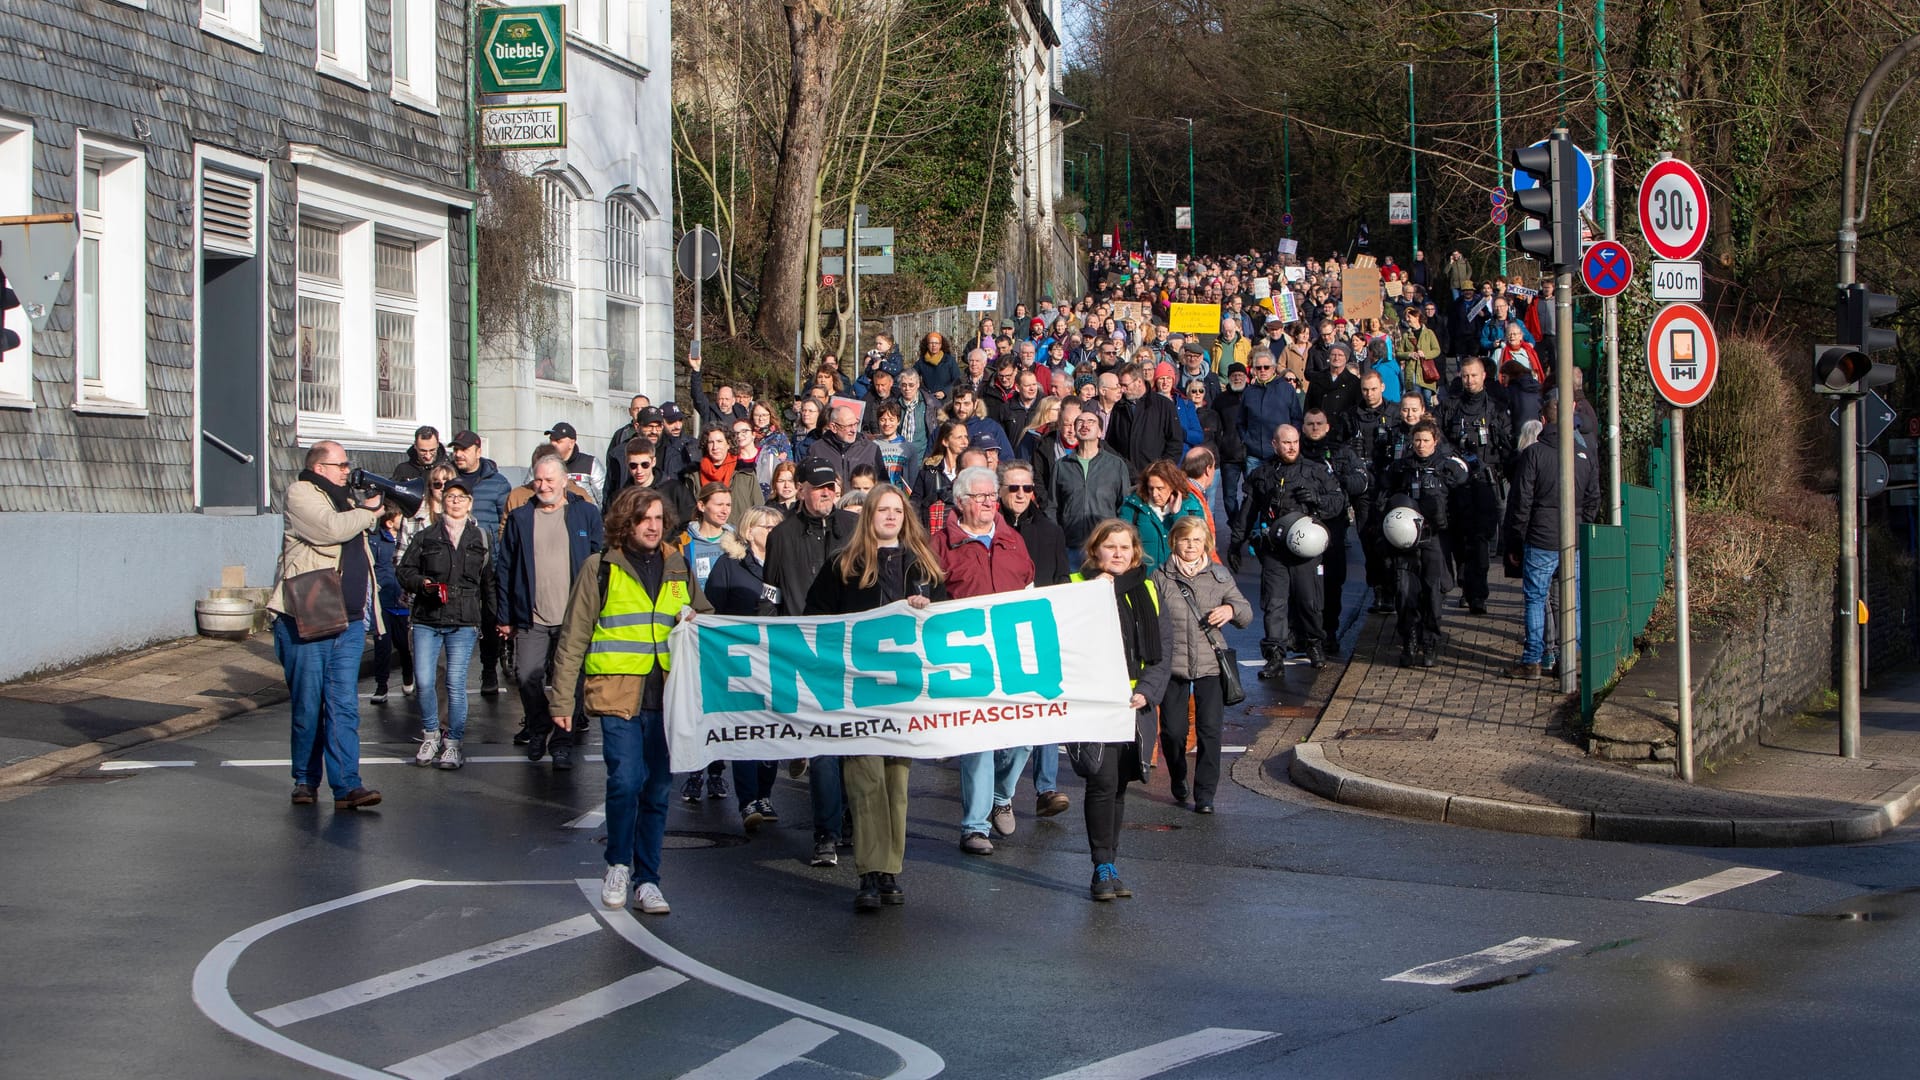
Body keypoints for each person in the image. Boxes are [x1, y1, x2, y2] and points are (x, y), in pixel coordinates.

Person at [550, 485, 712, 914]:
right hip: (617, 693)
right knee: (626, 781)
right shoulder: (599, 568)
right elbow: (574, 637)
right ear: (627, 523)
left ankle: (648, 879)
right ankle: (618, 863)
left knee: (658, 789)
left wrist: (698, 618)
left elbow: (707, 620)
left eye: (660, 519)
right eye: (645, 519)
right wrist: (562, 701)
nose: (654, 527)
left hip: (667, 695)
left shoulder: (678, 566)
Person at [805, 485, 946, 911]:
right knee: (864, 781)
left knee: (896, 785)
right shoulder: (843, 565)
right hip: (859, 690)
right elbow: (814, 619)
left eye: (897, 510)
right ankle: (869, 872)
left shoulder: (922, 566)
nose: (890, 516)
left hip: (904, 692)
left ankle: (890, 870)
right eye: (882, 510)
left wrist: (928, 606)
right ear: (868, 515)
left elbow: (948, 623)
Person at [269, 442, 385, 809]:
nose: (346, 470)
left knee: (343, 706)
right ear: (320, 467)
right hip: (309, 615)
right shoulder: (301, 493)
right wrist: (368, 514)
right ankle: (305, 779)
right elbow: (328, 530)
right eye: (340, 464)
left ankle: (347, 785)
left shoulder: (346, 499)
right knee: (308, 703)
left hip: (349, 621)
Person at [759, 459, 860, 866]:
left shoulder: (853, 528)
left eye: (831, 487)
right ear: (800, 489)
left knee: (857, 745)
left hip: (853, 651)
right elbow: (770, 595)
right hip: (805, 653)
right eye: (817, 487)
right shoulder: (781, 536)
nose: (825, 494)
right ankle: (826, 834)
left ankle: (853, 820)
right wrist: (765, 643)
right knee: (822, 748)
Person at [934, 465, 1036, 855]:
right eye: (980, 497)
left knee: (1027, 734)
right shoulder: (941, 544)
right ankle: (974, 827)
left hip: (1012, 652)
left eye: (992, 496)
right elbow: (927, 592)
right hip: (967, 657)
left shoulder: (1013, 540)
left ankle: (1001, 794)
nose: (989, 503)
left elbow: (1029, 586)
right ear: (960, 503)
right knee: (978, 740)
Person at [1070, 519, 1171, 901]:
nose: (1117, 554)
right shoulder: (1074, 587)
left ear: (1134, 553)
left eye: (1124, 548)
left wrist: (1147, 692)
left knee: (1120, 786)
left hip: (1135, 705)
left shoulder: (1148, 587)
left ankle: (1111, 861)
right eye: (1109, 547)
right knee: (1102, 780)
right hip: (1096, 703)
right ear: (1095, 551)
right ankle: (1101, 866)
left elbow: (1164, 648)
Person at [497, 455, 606, 769]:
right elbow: (504, 568)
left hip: (573, 617)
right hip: (532, 615)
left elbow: (599, 563)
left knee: (567, 683)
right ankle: (539, 723)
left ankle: (561, 742)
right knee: (526, 674)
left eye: (548, 480)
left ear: (564, 481)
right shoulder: (520, 518)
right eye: (538, 480)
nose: (542, 486)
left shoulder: (585, 513)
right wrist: (504, 616)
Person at [397, 473, 498, 771]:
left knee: (455, 683)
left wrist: (496, 620)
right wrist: (422, 583)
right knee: (425, 681)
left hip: (464, 620)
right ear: (442, 502)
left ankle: (453, 742)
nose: (455, 502)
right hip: (427, 617)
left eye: (461, 498)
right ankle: (431, 735)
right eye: (450, 497)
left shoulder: (480, 538)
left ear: (470, 504)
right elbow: (404, 571)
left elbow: (488, 582)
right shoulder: (426, 536)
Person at [1153, 516, 1252, 814]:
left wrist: (1230, 608)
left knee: (1210, 731)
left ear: (1206, 543)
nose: (1191, 546)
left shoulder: (1219, 575)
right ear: (1174, 542)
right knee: (1173, 732)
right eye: (1185, 539)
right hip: (1172, 664)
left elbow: (1246, 615)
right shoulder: (1160, 576)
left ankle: (1205, 794)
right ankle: (1179, 774)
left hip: (1211, 663)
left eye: (1197, 540)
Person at [1502, 396, 1601, 678]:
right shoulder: (1585, 454)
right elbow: (1594, 498)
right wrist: (1583, 525)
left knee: (1536, 598)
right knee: (1572, 599)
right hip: (1573, 540)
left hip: (1541, 538)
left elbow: (1522, 502)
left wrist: (1517, 539)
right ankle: (1574, 657)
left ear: (1543, 421)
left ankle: (1533, 660)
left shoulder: (1534, 454)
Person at [1236, 423, 1345, 676]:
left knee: (1310, 601)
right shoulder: (1262, 474)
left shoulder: (1316, 471)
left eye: (1295, 442)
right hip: (1274, 550)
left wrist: (1317, 501)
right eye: (1286, 442)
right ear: (1275, 444)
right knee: (1274, 604)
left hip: (1306, 550)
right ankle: (1275, 654)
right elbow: (1248, 511)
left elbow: (1338, 502)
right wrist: (1236, 541)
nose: (1292, 447)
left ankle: (1315, 645)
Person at [706, 504, 787, 830]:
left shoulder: (783, 566)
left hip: (777, 659)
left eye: (775, 527)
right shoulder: (729, 565)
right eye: (765, 527)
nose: (770, 532)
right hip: (739, 660)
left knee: (772, 730)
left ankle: (765, 792)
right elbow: (712, 609)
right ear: (748, 530)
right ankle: (747, 799)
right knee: (746, 728)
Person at [1001, 459, 1073, 818]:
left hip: (1041, 629)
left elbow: (1062, 578)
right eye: (1013, 488)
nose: (1020, 494)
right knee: (1009, 716)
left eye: (1026, 488)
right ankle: (1004, 791)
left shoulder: (1050, 531)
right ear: (1001, 490)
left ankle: (1046, 788)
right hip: (1000, 632)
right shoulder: (991, 529)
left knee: (1046, 706)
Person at [1383, 420, 1466, 667]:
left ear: (1435, 441)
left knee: (1432, 591)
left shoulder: (1447, 469)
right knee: (1405, 591)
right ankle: (1409, 639)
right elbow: (1385, 496)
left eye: (1426, 441)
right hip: (1405, 541)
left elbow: (1461, 502)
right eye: (1417, 440)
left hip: (1433, 538)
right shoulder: (1401, 468)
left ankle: (1429, 642)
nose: (1420, 445)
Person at [1440, 357, 1513, 616]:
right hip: (1457, 485)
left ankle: (1478, 594)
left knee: (1481, 541)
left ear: (1484, 376)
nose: (1469, 380)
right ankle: (1466, 586)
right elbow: (1439, 441)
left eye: (1474, 375)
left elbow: (1507, 446)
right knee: (1460, 541)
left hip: (1485, 483)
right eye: (1465, 376)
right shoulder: (1450, 407)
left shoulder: (1496, 408)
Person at [1299, 408, 1370, 647]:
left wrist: (1338, 483)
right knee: (1303, 582)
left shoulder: (1342, 453)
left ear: (1328, 426)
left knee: (1333, 580)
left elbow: (1362, 480)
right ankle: (1303, 632)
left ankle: (1329, 629)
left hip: (1333, 522)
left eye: (1320, 423)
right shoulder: (1295, 451)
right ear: (1303, 426)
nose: (1315, 428)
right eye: (1310, 424)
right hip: (1303, 523)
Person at [448, 430, 512, 695]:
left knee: (489, 620)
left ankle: (489, 670)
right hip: (455, 564)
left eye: (463, 449)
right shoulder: (449, 479)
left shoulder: (497, 483)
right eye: (456, 450)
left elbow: (504, 523)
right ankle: (455, 675)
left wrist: (498, 556)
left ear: (477, 449)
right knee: (457, 621)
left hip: (488, 564)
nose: (458, 454)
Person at [1346, 374, 1400, 614]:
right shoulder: (1352, 416)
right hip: (1364, 488)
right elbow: (1343, 449)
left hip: (1389, 486)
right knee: (1368, 541)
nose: (1369, 394)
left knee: (1391, 540)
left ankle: (1393, 590)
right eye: (1365, 390)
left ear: (1382, 387)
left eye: (1373, 389)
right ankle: (1378, 590)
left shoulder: (1395, 414)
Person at [1050, 407, 1130, 551]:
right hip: (1070, 545)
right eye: (1080, 422)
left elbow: (1124, 506)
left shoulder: (1116, 465)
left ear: (1100, 432)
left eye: (1091, 422)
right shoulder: (1062, 466)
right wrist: (1057, 537)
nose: (1085, 425)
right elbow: (1053, 506)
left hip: (1106, 546)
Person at [1118, 459, 1203, 572]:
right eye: (1151, 488)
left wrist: (1177, 515)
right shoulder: (1132, 507)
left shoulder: (1191, 507)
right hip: (1144, 578)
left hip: (1179, 578)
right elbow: (1120, 542)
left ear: (1173, 486)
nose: (1154, 494)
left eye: (1160, 488)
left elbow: (1198, 542)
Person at [367, 502, 413, 706]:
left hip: (403, 602)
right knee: (382, 645)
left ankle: (408, 675)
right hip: (384, 600)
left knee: (404, 645)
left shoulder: (408, 539)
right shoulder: (376, 541)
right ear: (389, 522)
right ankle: (381, 685)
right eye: (399, 517)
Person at [913, 420, 970, 530]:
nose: (965, 442)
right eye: (959, 438)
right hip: (932, 534)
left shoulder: (971, 471)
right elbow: (915, 504)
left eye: (966, 437)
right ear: (945, 441)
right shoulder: (929, 470)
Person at [812, 404, 885, 485]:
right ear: (834, 427)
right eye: (849, 426)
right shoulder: (816, 449)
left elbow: (883, 485)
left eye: (855, 424)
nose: (853, 430)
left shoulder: (871, 449)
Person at [545, 422, 606, 505]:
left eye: (558, 441)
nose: (552, 444)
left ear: (571, 443)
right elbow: (527, 492)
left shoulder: (590, 464)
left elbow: (603, 498)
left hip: (584, 515)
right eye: (551, 440)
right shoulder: (542, 465)